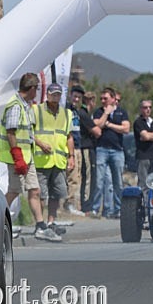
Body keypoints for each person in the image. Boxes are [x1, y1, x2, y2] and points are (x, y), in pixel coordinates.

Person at [0, 72, 61, 242]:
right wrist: (17, 156)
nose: (37, 93)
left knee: (34, 190)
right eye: (36, 89)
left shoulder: (25, 106)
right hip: (17, 158)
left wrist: (38, 145)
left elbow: (28, 133)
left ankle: (40, 226)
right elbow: (11, 132)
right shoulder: (16, 106)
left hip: (27, 157)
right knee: (14, 191)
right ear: (31, 88)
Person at [32, 82, 74, 229]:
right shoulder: (36, 110)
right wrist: (40, 144)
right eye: (53, 94)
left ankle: (51, 222)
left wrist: (71, 156)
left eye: (58, 94)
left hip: (59, 160)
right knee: (41, 194)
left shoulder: (67, 113)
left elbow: (69, 136)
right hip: (41, 160)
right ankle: (40, 222)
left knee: (56, 194)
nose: (56, 97)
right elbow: (29, 132)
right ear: (47, 95)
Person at [91, 87, 130, 218]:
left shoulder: (121, 112)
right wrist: (106, 113)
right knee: (100, 181)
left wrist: (109, 125)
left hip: (117, 150)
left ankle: (118, 209)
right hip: (101, 149)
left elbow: (126, 128)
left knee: (118, 182)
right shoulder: (98, 112)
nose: (103, 101)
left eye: (106, 98)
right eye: (101, 98)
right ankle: (97, 209)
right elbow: (97, 125)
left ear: (113, 99)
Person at [75, 87, 101, 215]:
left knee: (90, 176)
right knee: (88, 177)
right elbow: (97, 131)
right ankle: (86, 205)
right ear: (91, 101)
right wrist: (106, 115)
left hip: (89, 148)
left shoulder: (86, 114)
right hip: (86, 148)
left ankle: (87, 204)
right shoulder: (83, 114)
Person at [63, 84, 87, 215]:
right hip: (69, 147)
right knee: (71, 176)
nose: (76, 99)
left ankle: (72, 203)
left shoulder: (77, 111)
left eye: (79, 97)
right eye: (75, 96)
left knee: (77, 177)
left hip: (78, 146)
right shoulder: (65, 109)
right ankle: (69, 203)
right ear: (70, 95)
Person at [133, 99, 153, 192]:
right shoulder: (138, 122)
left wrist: (150, 136)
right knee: (143, 184)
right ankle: (143, 201)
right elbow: (145, 136)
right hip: (143, 156)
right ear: (141, 109)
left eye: (150, 107)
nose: (148, 109)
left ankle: (151, 200)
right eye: (145, 107)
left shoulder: (152, 122)